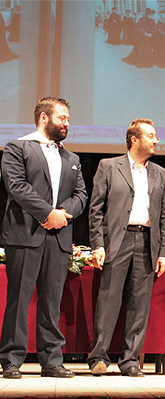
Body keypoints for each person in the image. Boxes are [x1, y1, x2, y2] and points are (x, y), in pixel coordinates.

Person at [0, 97, 88, 379]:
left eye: (68, 119)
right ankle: (11, 360)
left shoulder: (71, 158)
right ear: (43, 118)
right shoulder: (18, 147)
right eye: (62, 118)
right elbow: (16, 186)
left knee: (52, 301)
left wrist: (63, 213)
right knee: (19, 298)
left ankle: (51, 361)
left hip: (59, 237)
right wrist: (47, 213)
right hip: (25, 234)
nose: (67, 123)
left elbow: (81, 195)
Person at [87, 118, 165, 377]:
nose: (156, 140)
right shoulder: (109, 166)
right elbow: (96, 210)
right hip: (117, 240)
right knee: (109, 300)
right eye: (151, 135)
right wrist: (98, 245)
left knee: (139, 304)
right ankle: (98, 357)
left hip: (148, 242)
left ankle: (130, 360)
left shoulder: (161, 173)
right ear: (134, 139)